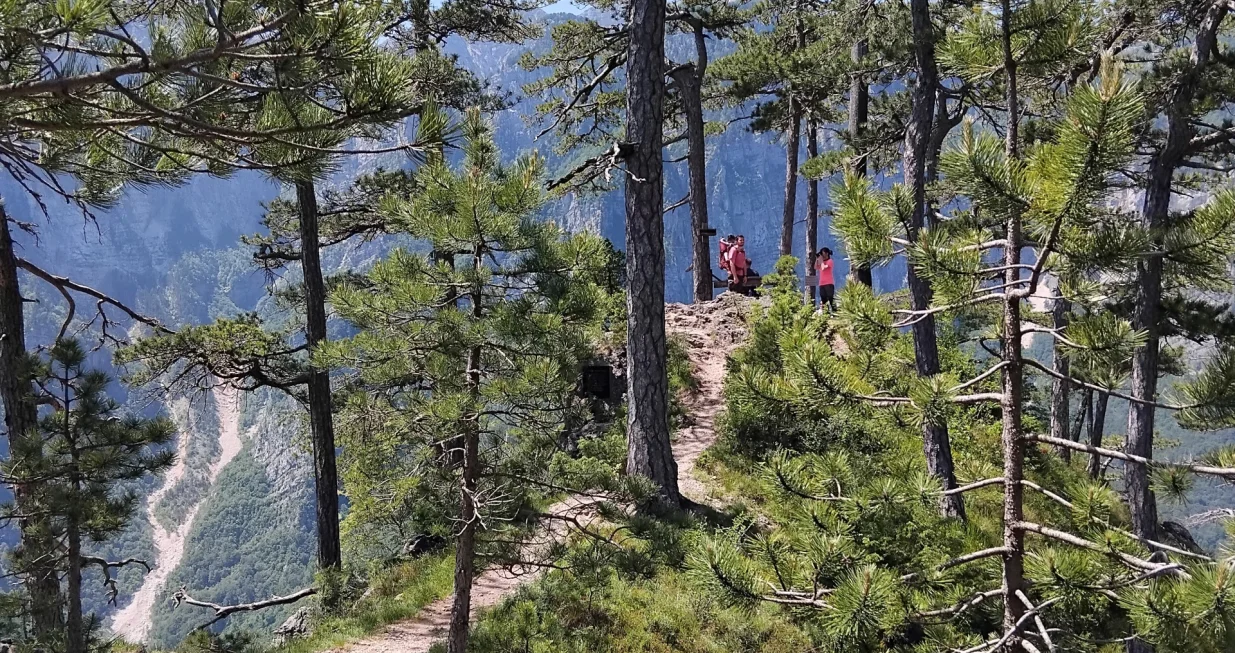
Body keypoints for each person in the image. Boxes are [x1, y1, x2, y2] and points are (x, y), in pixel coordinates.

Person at [815, 247, 836, 312]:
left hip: (829, 283)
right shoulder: (822, 262)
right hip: (822, 283)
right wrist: (817, 259)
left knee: (830, 298)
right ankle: (825, 313)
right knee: (823, 299)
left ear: (827, 253)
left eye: (823, 254)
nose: (822, 255)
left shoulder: (830, 261)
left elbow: (824, 268)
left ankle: (835, 312)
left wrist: (821, 260)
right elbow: (815, 267)